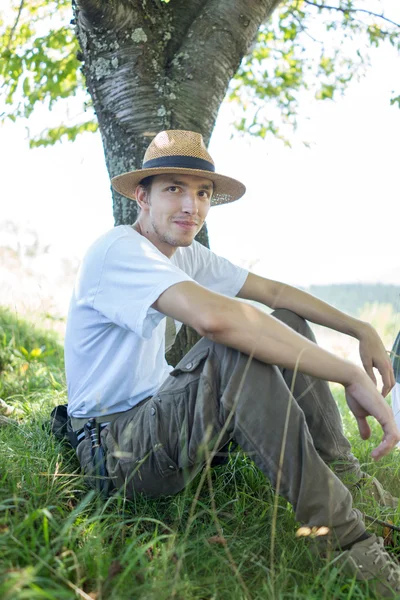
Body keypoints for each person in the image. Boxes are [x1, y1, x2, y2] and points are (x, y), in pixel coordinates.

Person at [64, 130, 400, 597]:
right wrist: (344, 372)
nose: (191, 206)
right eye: (174, 189)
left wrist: (360, 328)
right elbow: (216, 321)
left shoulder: (185, 255)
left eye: (201, 193)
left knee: (284, 322)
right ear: (141, 196)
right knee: (232, 345)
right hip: (114, 451)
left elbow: (277, 296)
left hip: (161, 421)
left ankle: (347, 479)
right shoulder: (118, 250)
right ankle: (351, 547)